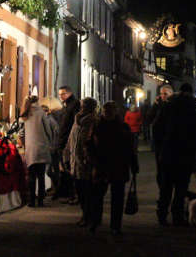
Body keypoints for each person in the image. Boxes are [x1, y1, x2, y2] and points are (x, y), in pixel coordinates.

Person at [154, 82, 196, 226]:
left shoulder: (168, 107)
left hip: (168, 153)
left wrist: (159, 148)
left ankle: (162, 215)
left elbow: (157, 128)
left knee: (166, 187)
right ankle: (177, 216)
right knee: (181, 187)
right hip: (187, 154)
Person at [88, 101, 139, 236]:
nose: (108, 113)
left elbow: (130, 148)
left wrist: (133, 164)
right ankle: (109, 225)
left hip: (110, 165)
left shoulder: (100, 126)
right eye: (106, 111)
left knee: (102, 196)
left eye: (109, 111)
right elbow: (130, 148)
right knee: (106, 197)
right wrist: (134, 164)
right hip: (110, 165)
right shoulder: (120, 127)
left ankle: (102, 223)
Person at [63, 97, 98, 227]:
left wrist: (88, 159)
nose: (82, 108)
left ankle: (89, 217)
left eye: (85, 106)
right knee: (80, 191)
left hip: (86, 163)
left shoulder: (93, 122)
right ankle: (85, 215)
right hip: (75, 161)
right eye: (82, 105)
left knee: (87, 191)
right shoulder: (77, 120)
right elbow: (71, 139)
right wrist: (66, 154)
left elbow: (91, 143)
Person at [19, 95, 57, 207]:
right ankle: (40, 200)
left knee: (31, 176)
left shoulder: (25, 113)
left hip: (30, 148)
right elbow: (48, 130)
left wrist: (25, 142)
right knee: (40, 176)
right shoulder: (41, 113)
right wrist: (49, 142)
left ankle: (31, 201)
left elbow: (21, 132)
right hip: (41, 147)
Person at [55, 85, 81, 201]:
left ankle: (71, 193)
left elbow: (70, 125)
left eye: (63, 94)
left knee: (68, 168)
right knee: (63, 168)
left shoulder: (73, 105)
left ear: (69, 93)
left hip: (67, 142)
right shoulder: (66, 106)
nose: (61, 96)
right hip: (63, 140)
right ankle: (65, 192)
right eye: (59, 94)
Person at [147, 84, 174, 187]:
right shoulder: (158, 105)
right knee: (160, 166)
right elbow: (149, 118)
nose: (163, 96)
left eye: (165, 94)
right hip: (159, 140)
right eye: (161, 94)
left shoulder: (173, 105)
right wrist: (154, 106)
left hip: (171, 141)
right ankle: (162, 188)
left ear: (170, 94)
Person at [40, 96, 63, 198]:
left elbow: (56, 133)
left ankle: (57, 189)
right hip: (52, 147)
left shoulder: (50, 120)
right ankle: (56, 189)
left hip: (52, 148)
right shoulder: (50, 119)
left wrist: (53, 145)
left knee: (51, 170)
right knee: (52, 170)